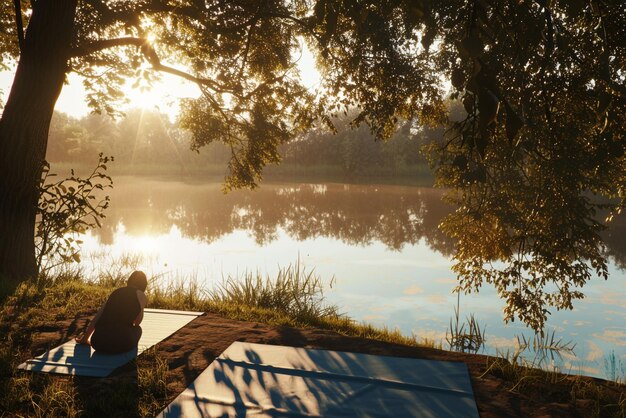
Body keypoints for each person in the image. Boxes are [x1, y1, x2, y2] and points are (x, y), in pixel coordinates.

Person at [75, 270, 149, 354]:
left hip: (97, 342)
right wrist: (141, 308)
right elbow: (137, 323)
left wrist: (84, 339)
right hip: (121, 343)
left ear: (129, 280)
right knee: (138, 330)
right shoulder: (141, 295)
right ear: (144, 284)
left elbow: (96, 319)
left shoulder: (116, 292)